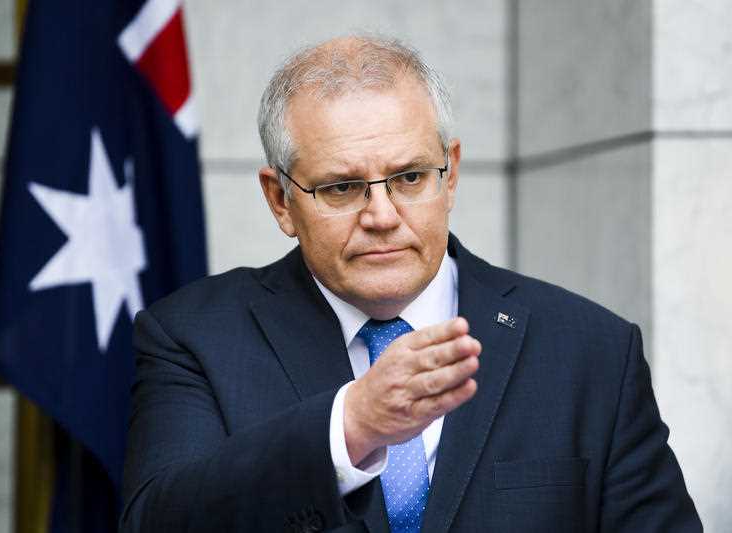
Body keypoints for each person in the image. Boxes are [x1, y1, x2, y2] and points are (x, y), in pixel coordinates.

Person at [120, 36, 700, 532]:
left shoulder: (590, 349)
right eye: (342, 188)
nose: (382, 215)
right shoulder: (194, 336)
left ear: (450, 174)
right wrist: (350, 426)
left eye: (410, 177)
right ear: (281, 201)